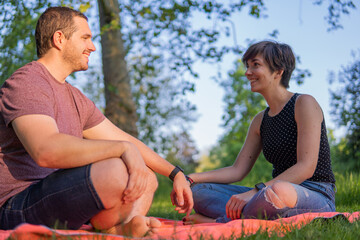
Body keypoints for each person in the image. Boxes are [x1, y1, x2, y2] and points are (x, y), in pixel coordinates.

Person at [0, 6, 193, 237]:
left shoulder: (76, 98)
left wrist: (175, 173)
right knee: (117, 170)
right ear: (59, 39)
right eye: (85, 38)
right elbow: (45, 150)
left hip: (57, 196)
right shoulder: (27, 82)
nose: (92, 46)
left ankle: (123, 226)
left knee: (146, 177)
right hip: (15, 206)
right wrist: (123, 150)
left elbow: (124, 138)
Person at [182, 40, 336, 224]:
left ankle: (217, 223)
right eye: (247, 66)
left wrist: (255, 192)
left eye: (256, 65)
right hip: (268, 194)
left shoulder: (304, 104)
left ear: (278, 71)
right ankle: (245, 217)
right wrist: (190, 178)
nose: (248, 73)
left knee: (277, 193)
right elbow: (237, 170)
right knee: (198, 192)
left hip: (314, 193)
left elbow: (306, 167)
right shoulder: (259, 121)